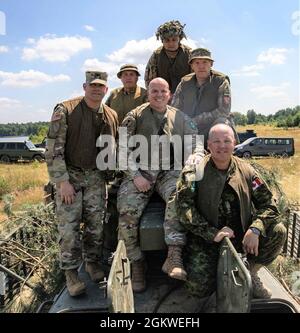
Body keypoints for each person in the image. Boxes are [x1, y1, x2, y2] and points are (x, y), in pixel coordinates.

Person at [174, 123, 287, 299]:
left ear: (234, 143)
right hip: (207, 239)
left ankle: (250, 271)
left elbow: (269, 204)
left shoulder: (248, 171)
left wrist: (255, 228)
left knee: (278, 230)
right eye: (216, 141)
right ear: (208, 145)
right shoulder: (194, 172)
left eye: (227, 141)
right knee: (197, 290)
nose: (222, 146)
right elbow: (183, 209)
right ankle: (219, 270)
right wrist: (212, 233)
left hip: (243, 236)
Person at [117, 77, 203, 292]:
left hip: (169, 170)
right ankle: (137, 263)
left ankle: (173, 256)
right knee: (127, 212)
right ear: (148, 94)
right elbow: (121, 149)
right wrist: (135, 175)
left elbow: (197, 142)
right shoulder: (134, 116)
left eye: (163, 91)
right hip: (141, 171)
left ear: (169, 94)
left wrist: (196, 156)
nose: (158, 95)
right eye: (154, 91)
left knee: (179, 195)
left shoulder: (180, 117)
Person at [45, 71, 118, 297]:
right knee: (69, 228)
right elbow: (53, 149)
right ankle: (70, 273)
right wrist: (62, 182)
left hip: (96, 177)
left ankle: (92, 263)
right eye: (92, 86)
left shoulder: (110, 114)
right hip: (71, 177)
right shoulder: (66, 110)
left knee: (96, 226)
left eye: (101, 86)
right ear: (84, 86)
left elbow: (112, 148)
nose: (97, 90)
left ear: (106, 90)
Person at [172, 48, 237, 147]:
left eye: (205, 62)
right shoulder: (184, 83)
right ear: (192, 65)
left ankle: (223, 155)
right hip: (188, 127)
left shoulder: (221, 81)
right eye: (197, 63)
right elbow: (174, 110)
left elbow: (224, 111)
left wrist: (196, 120)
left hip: (212, 125)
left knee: (222, 123)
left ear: (211, 64)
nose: (201, 66)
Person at [144, 20, 192, 95]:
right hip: (163, 96)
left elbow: (197, 76)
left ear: (179, 39)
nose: (171, 43)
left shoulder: (189, 53)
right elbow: (149, 80)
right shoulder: (156, 55)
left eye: (174, 40)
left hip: (186, 95)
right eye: (167, 40)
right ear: (162, 41)